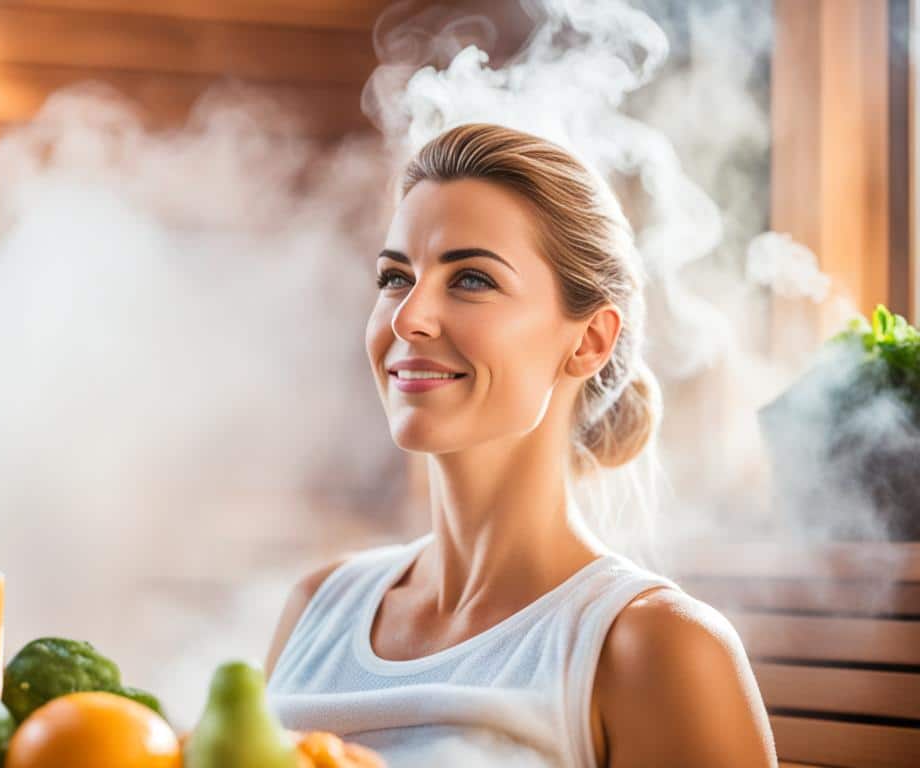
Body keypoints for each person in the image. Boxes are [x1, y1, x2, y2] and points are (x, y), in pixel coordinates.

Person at [264, 123, 775, 767]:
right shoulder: (318, 607)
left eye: (472, 279)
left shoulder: (652, 646)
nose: (407, 316)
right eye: (395, 277)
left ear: (589, 341)